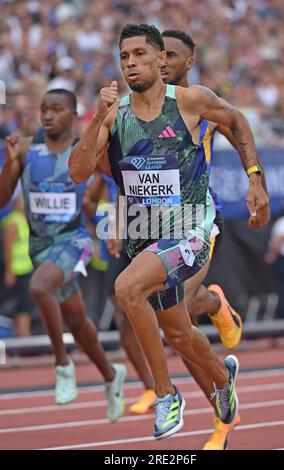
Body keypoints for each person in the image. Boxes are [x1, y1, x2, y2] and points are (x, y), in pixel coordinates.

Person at [69, 24, 270, 440]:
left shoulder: (190, 101)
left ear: (161, 60)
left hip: (192, 227)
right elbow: (78, 172)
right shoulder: (115, 114)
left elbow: (236, 119)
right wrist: (95, 118)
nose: (130, 63)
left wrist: (255, 178)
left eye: (140, 54)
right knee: (178, 332)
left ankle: (166, 394)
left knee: (127, 289)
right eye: (124, 56)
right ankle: (221, 378)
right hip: (144, 234)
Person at [0, 89, 126, 421]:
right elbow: (2, 201)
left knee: (39, 287)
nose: (48, 115)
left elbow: (117, 186)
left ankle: (62, 364)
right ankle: (112, 376)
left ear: (73, 115)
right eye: (44, 109)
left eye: (57, 109)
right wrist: (10, 162)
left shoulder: (85, 151)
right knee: (76, 320)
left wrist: (113, 225)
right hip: (41, 246)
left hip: (76, 240)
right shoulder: (26, 150)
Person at [2, 196, 34, 336]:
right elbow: (7, 247)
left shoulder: (23, 220)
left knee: (24, 306)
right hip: (18, 270)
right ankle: (24, 337)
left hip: (26, 269)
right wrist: (9, 270)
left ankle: (21, 336)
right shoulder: (14, 221)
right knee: (23, 307)